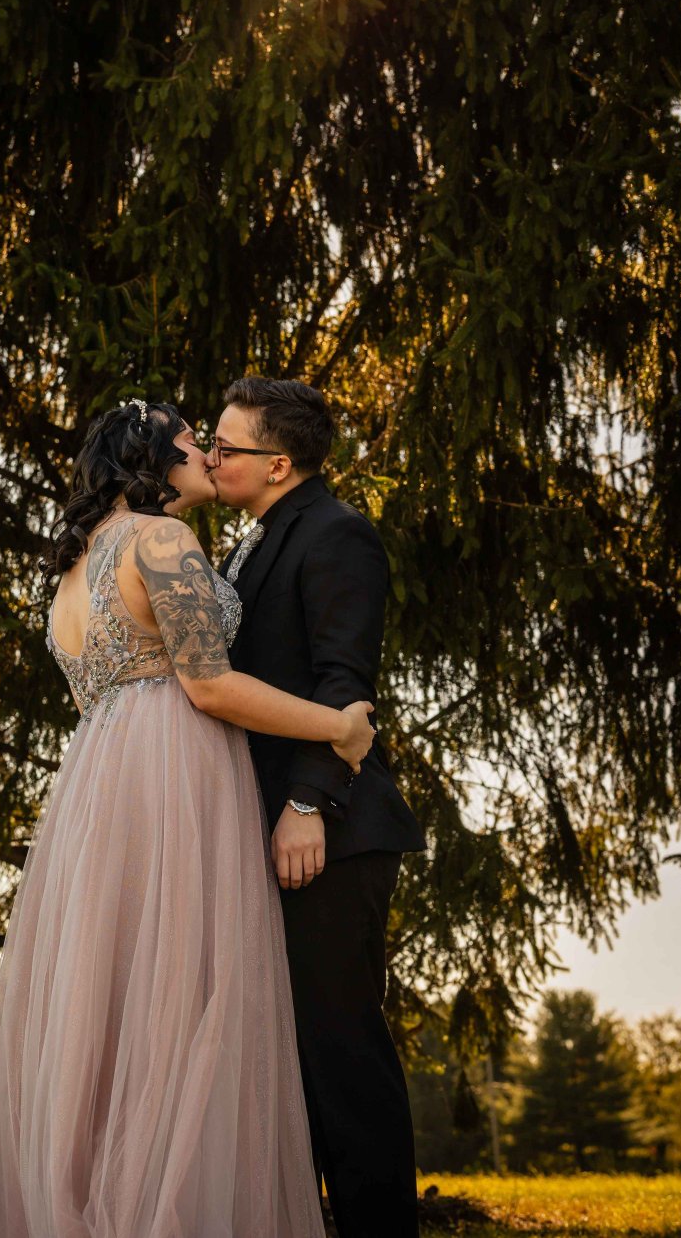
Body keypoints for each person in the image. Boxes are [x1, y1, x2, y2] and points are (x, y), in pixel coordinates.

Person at [0, 398, 376, 1238]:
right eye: (193, 443)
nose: (210, 455)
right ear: (155, 460)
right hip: (174, 775)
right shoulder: (161, 539)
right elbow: (207, 683)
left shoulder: (77, 566)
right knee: (187, 994)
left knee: (120, 1000)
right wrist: (337, 727)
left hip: (100, 787)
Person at [209, 376, 427, 1238]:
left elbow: (345, 683)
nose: (212, 457)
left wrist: (306, 801)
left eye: (227, 446)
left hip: (330, 832)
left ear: (279, 463)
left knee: (342, 1055)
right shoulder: (258, 539)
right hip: (260, 827)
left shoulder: (337, 533)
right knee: (287, 1060)